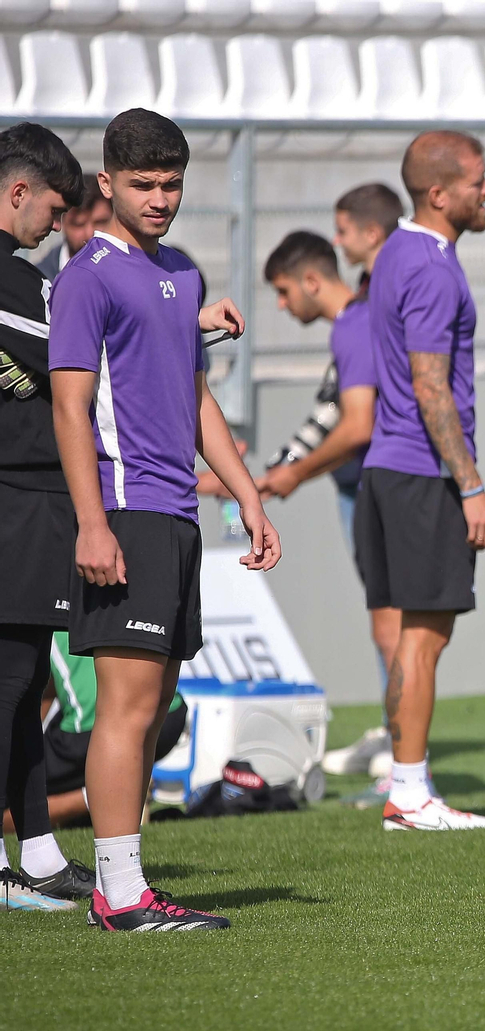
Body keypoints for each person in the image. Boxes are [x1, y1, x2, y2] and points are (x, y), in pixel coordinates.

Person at [49, 108, 281, 931]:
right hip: (124, 511)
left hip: (178, 515)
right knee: (129, 706)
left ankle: (124, 883)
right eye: (142, 183)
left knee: (157, 704)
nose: (159, 198)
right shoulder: (86, 276)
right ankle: (118, 895)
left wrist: (246, 492)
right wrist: (91, 521)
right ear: (105, 184)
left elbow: (194, 397)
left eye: (172, 183)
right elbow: (71, 410)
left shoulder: (180, 271)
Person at [357, 131, 485, 832]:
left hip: (386, 468)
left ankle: (406, 781)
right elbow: (429, 383)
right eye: (478, 180)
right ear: (440, 193)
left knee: (406, 636)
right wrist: (470, 485)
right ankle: (410, 792)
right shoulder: (435, 269)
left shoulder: (393, 254)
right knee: (424, 638)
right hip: (422, 472)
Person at [254, 230, 398, 804]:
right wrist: (270, 472)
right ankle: (398, 748)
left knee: (395, 624)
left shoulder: (357, 323)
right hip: (358, 483)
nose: (284, 306)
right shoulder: (353, 325)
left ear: (312, 280)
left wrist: (292, 473)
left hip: (376, 484)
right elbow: (329, 414)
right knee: (386, 621)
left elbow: (357, 424)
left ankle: (406, 762)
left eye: (285, 292)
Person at [0, 122, 96, 912]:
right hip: (19, 500)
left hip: (28, 501)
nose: (55, 229)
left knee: (25, 679)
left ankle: (34, 853)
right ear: (18, 193)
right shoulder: (15, 281)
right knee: (7, 682)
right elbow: (80, 350)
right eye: (53, 210)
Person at [0, 633, 188, 835]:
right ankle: (120, 791)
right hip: (170, 713)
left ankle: (94, 797)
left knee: (13, 790)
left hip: (97, 726)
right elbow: (45, 693)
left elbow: (35, 692)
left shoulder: (39, 617)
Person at [34, 171, 112, 282]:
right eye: (78, 224)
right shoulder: (39, 280)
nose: (89, 234)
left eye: (100, 222)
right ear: (62, 223)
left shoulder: (131, 275)